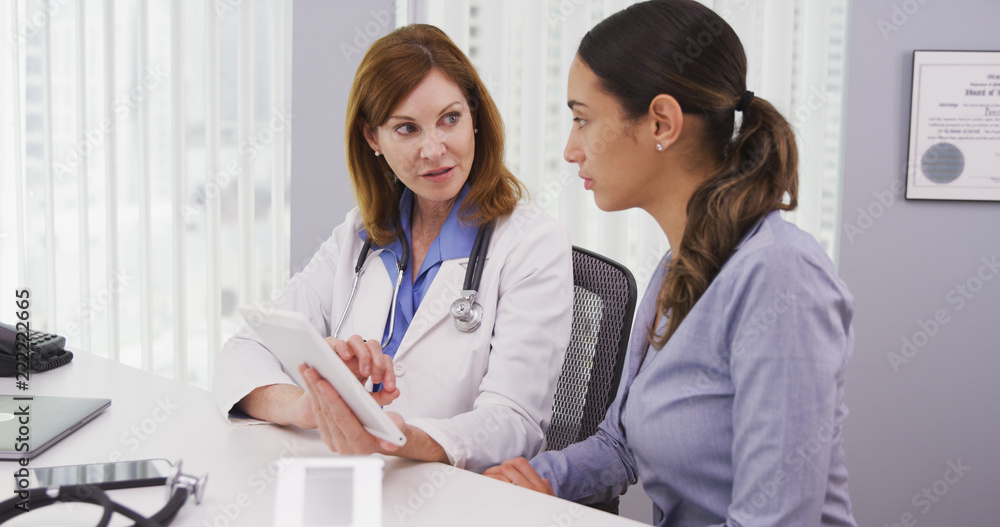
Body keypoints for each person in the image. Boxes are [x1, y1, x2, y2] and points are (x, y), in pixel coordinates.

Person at [483, 1, 857, 525]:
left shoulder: (779, 276)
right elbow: (621, 444)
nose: (571, 150)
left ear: (662, 121)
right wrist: (540, 478)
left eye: (583, 120)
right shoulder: (677, 266)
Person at [212, 24, 573, 473]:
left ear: (475, 116)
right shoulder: (361, 235)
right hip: (355, 485)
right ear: (372, 138)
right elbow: (245, 351)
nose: (433, 149)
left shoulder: (532, 244)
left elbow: (513, 420)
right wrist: (312, 406)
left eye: (450, 119)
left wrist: (394, 437)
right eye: (406, 128)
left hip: (454, 498)